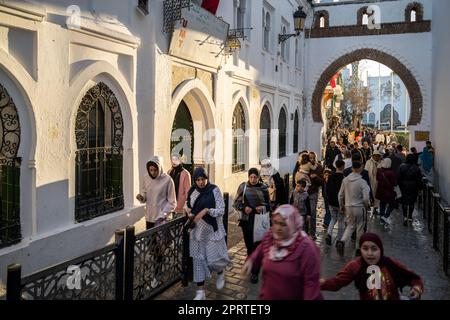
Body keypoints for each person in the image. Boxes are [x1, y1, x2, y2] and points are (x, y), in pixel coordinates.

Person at [241, 205, 323, 300]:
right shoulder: (271, 236)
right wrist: (251, 261)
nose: (278, 228)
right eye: (275, 222)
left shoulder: (307, 248)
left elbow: (311, 285)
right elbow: (261, 249)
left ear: (292, 224)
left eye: (283, 224)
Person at [321, 233, 424, 300]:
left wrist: (416, 289)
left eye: (374, 249)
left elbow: (414, 278)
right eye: (365, 249)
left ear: (380, 250)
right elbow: (336, 283)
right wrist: (318, 283)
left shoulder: (390, 264)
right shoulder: (355, 266)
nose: (369, 253)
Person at [185, 168, 231, 300]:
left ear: (207, 178)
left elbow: (221, 209)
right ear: (195, 180)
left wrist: (207, 211)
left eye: (203, 179)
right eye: (198, 180)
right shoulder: (192, 191)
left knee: (214, 258)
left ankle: (220, 272)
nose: (200, 182)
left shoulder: (214, 190)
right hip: (197, 232)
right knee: (198, 260)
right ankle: (200, 292)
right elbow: (188, 205)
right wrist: (189, 212)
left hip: (212, 230)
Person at [233, 168, 270, 284]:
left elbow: (269, 206)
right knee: (249, 246)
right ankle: (250, 262)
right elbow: (236, 203)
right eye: (251, 177)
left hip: (259, 221)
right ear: (248, 177)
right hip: (246, 221)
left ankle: (255, 272)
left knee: (257, 247)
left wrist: (262, 208)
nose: (253, 179)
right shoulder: (243, 187)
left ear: (258, 177)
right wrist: (244, 208)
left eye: (255, 177)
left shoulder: (264, 188)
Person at [336, 161, 371, 256]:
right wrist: (366, 205)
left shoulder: (345, 180)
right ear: (361, 168)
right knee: (360, 227)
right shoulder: (362, 182)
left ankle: (342, 241)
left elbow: (340, 195)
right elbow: (366, 197)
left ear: (352, 169)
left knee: (350, 226)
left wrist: (341, 205)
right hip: (359, 207)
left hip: (348, 206)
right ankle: (358, 249)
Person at [136, 156, 177, 229]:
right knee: (150, 239)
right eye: (151, 170)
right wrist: (142, 198)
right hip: (149, 217)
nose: (153, 172)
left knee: (162, 240)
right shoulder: (146, 178)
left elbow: (172, 202)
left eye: (155, 170)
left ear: (160, 168)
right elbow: (144, 193)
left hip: (162, 218)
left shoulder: (168, 180)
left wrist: (163, 214)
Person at [398, 154, 423, 226]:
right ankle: (410, 217)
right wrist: (420, 188)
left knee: (404, 202)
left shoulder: (402, 167)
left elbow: (399, 178)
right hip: (414, 186)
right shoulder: (417, 168)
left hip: (404, 186)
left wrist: (399, 186)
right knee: (412, 202)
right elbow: (419, 179)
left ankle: (405, 217)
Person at [325, 160, 346, 246]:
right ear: (343, 167)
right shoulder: (344, 178)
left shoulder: (330, 176)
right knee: (341, 221)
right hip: (340, 203)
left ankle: (329, 234)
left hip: (331, 202)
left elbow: (327, 189)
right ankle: (339, 240)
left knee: (333, 219)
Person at [307, 151, 324, 240]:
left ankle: (312, 234)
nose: (312, 159)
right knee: (303, 213)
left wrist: (316, 177)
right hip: (304, 193)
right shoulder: (304, 166)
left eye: (313, 158)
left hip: (313, 192)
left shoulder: (319, 167)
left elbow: (322, 182)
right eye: (310, 158)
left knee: (313, 213)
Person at [376, 158, 397, 226]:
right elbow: (394, 183)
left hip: (380, 190)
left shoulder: (379, 171)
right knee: (392, 204)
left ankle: (382, 220)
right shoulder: (391, 172)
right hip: (388, 191)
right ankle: (385, 216)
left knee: (382, 204)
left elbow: (377, 179)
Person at [365, 150, 382, 215]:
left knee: (377, 195)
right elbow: (366, 171)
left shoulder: (381, 162)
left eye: (378, 156)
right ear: (373, 156)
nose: (377, 157)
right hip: (370, 180)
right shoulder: (368, 162)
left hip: (378, 181)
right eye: (376, 156)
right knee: (370, 194)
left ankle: (375, 208)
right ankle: (368, 206)